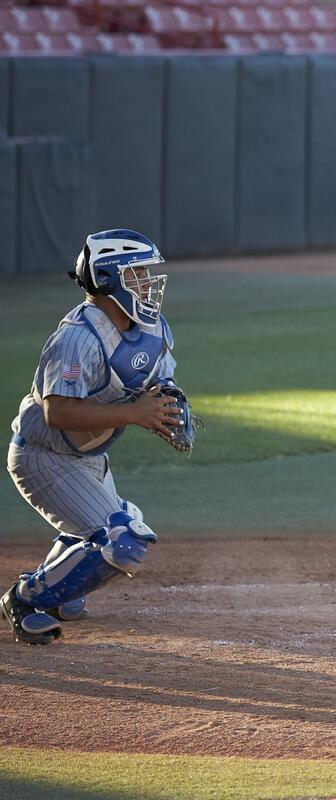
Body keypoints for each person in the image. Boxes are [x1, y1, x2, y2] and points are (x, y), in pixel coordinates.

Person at [2, 229, 185, 645]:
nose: (148, 283)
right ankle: (24, 598)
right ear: (107, 278)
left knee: (124, 525)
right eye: (137, 273)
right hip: (42, 457)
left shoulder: (151, 327)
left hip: (86, 458)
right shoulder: (77, 338)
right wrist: (135, 414)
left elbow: (162, 381)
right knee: (123, 542)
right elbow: (58, 412)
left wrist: (171, 407)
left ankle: (62, 594)